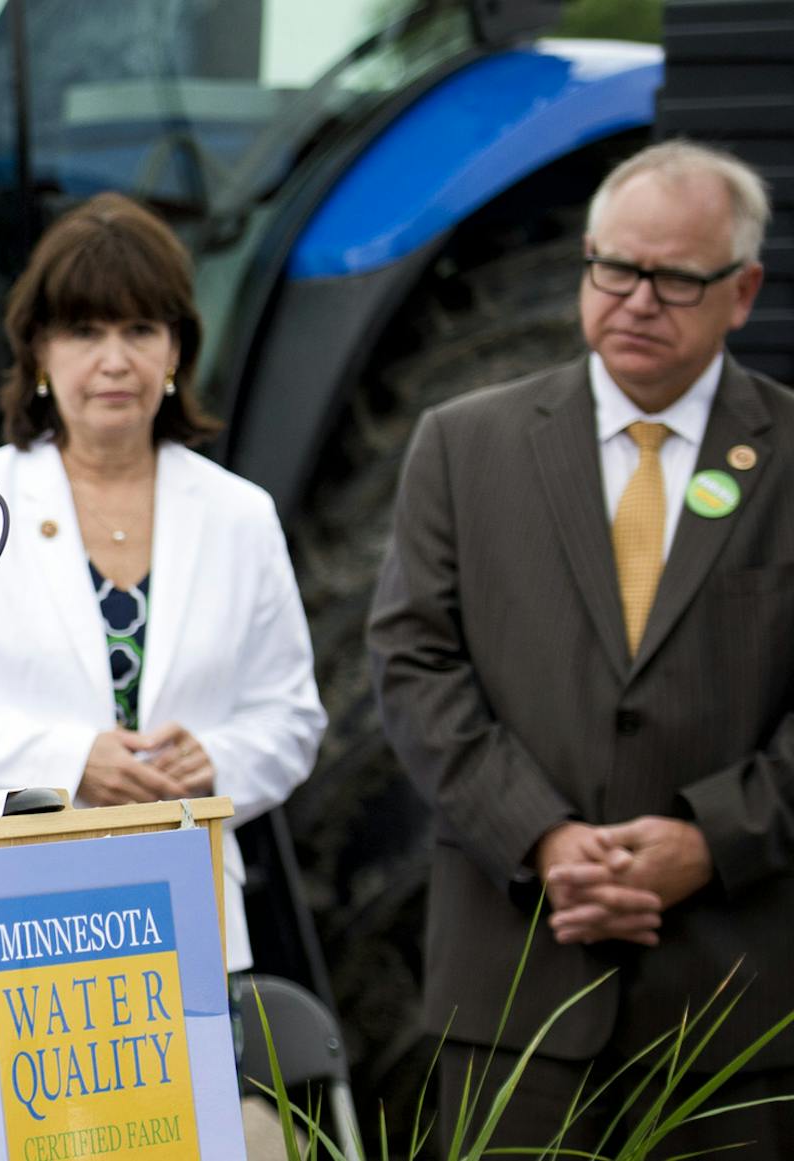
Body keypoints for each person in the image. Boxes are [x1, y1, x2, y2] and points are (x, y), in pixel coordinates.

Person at [368, 139, 791, 1154]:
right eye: (614, 268)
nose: (637, 299)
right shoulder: (464, 445)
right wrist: (543, 838)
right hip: (514, 1001)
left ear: (741, 293)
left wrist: (712, 841)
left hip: (733, 1009)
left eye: (675, 278)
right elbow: (414, 665)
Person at [0, 192, 325, 978]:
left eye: (140, 329)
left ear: (176, 352)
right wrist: (72, 759)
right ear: (40, 354)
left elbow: (292, 718)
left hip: (181, 913)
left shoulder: (240, 515)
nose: (115, 359)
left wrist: (215, 759)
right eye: (86, 331)